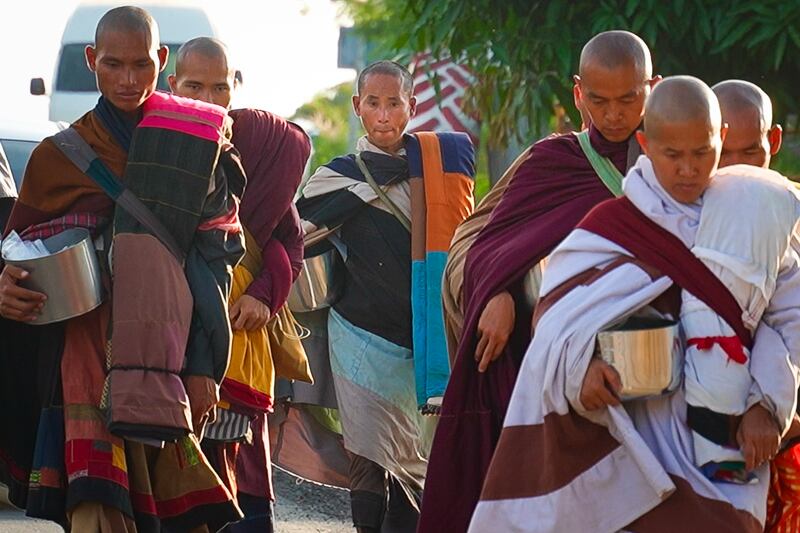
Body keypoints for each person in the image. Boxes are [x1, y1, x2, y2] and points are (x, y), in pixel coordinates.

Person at [470, 76, 800, 532]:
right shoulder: (610, 224)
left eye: (702, 153)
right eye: (672, 155)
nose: (687, 169)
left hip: (725, 432)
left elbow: (786, 319)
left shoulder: (756, 217)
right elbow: (556, 317)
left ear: (720, 139)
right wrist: (580, 369)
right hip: (633, 432)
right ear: (645, 144)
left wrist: (768, 404)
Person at [0, 7, 245, 531]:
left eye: (142, 65)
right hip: (84, 357)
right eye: (113, 65)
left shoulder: (197, 141)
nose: (129, 80)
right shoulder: (56, 158)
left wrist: (206, 367)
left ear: (162, 60)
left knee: (178, 515)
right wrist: (5, 286)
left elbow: (214, 264)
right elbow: (16, 252)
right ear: (92, 61)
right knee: (97, 506)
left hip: (172, 352)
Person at [420, 30, 660, 532]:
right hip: (551, 371)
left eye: (628, 98)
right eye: (598, 100)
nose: (614, 114)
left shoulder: (675, 165)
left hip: (647, 371)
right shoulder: (551, 162)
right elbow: (481, 243)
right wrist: (497, 293)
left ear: (652, 88)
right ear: (578, 94)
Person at [296, 60, 475, 533]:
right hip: (356, 335)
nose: (383, 115)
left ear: (411, 107)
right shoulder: (335, 177)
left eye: (393, 103)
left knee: (414, 463)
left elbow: (462, 242)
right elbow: (295, 237)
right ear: (357, 108)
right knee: (366, 456)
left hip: (420, 341)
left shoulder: (439, 176)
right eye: (372, 103)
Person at [169, 37, 311, 533]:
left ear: (235, 88)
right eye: (193, 87)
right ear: (172, 87)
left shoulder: (253, 148)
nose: (206, 100)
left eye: (217, 88)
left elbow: (285, 243)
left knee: (232, 467)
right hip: (170, 336)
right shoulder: (157, 146)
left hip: (236, 342)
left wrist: (263, 296)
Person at [713, 78, 800, 532]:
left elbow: (786, 316)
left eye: (749, 154)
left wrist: (768, 405)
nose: (734, 170)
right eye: (722, 155)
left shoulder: (793, 209)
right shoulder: (687, 211)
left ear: (775, 141)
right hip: (705, 427)